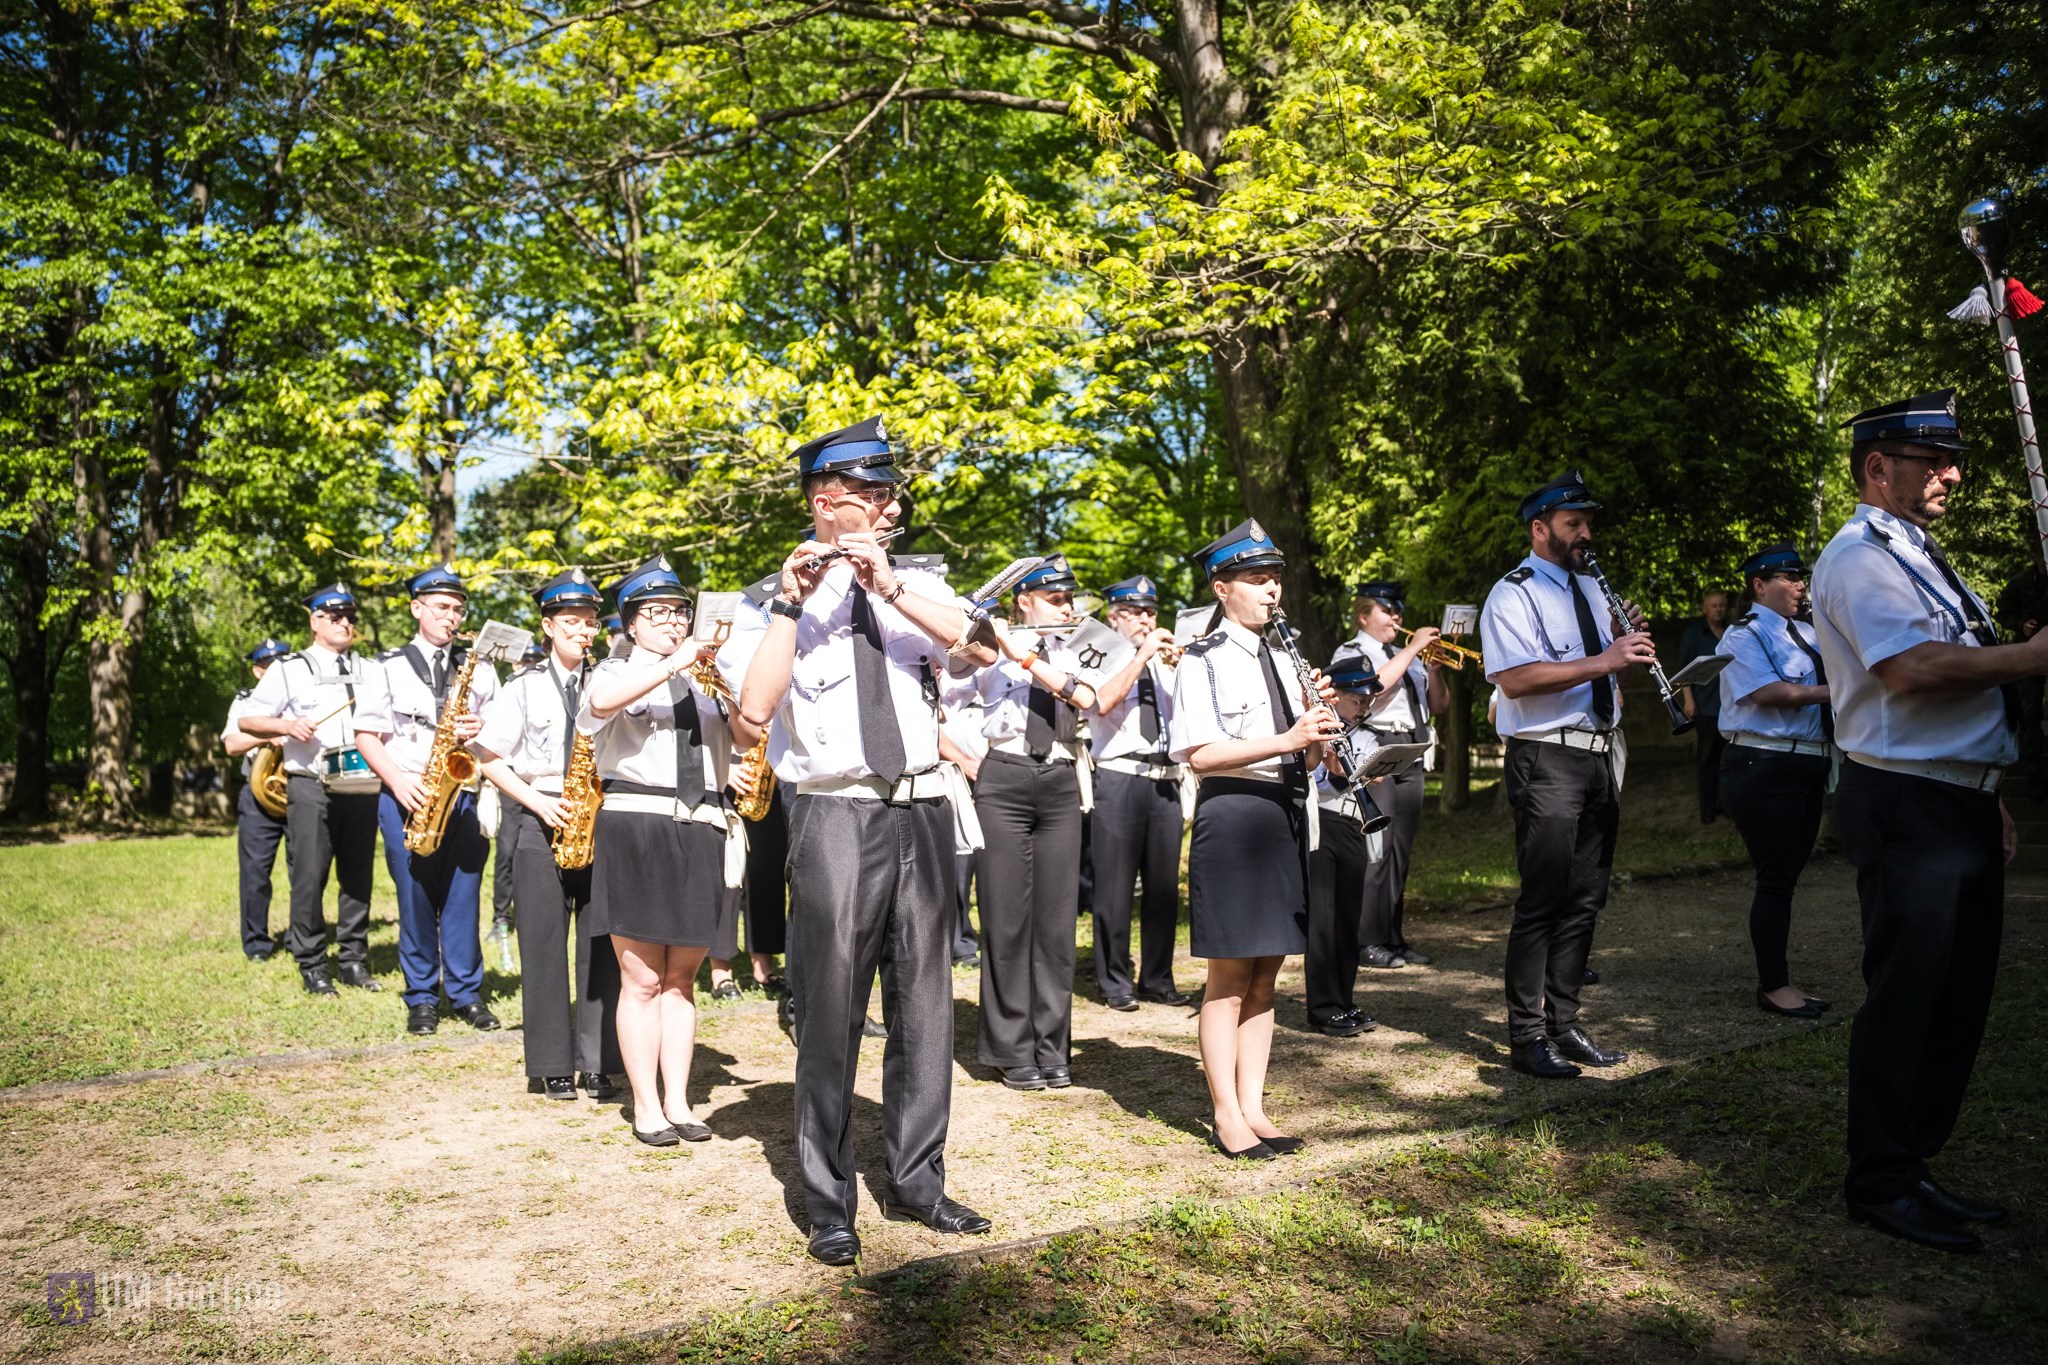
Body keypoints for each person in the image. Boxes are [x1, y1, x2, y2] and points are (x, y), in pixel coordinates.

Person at [724, 416, 999, 1266]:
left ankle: (919, 1181)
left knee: (924, 1006)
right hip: (836, 812)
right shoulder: (768, 602)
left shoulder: (919, 583)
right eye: (874, 494)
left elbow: (985, 649)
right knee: (832, 1009)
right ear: (826, 500)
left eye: (891, 494)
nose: (891, 507)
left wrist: (892, 585)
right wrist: (789, 603)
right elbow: (751, 715)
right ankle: (828, 1200)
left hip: (922, 806)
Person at [1810, 388, 2039, 1252]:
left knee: (1957, 995)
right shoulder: (1859, 556)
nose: (1952, 475)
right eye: (1934, 460)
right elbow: (1909, 668)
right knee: (1909, 995)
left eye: (1952, 461)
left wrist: (1986, 785)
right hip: (1908, 802)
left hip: (1953, 795)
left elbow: (1952, 677)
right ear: (1878, 467)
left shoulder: (1915, 552)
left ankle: (1911, 1163)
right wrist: (2034, 656)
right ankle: (1880, 1181)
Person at [1170, 518, 1339, 1161]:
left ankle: (1255, 1106)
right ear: (1222, 588)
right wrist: (1289, 738)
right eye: (1256, 579)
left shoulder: (1285, 658)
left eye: (1275, 580)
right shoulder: (1202, 659)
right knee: (1230, 975)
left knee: (1268, 972)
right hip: (1236, 817)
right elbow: (1200, 755)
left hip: (1286, 812)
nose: (1272, 591)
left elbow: (1308, 759)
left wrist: (1318, 734)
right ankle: (1225, 1115)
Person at [1480, 471, 1656, 1080]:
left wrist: (1623, 650)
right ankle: (1526, 1036)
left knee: (1585, 898)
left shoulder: (1593, 589)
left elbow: (1610, 678)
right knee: (1543, 900)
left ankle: (1564, 1022)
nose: (1586, 533)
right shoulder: (1513, 593)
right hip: (1546, 758)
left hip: (1599, 753)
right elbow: (1515, 679)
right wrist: (1604, 658)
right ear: (1540, 528)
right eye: (1573, 523)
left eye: (1588, 523)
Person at [578, 554, 742, 1145]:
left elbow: (746, 734)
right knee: (642, 977)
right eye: (658, 613)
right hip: (639, 825)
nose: (673, 621)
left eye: (680, 611)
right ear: (631, 623)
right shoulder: (614, 669)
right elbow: (599, 708)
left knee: (681, 979)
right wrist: (675, 662)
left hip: (702, 825)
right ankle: (645, 1105)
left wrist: (728, 685)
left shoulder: (706, 676)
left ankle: (679, 1101)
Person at [474, 567, 621, 1102]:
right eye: (571, 621)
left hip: (600, 815)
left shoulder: (611, 681)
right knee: (541, 943)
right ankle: (552, 1063)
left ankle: (599, 1061)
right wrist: (538, 802)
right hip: (542, 813)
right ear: (548, 626)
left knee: (600, 944)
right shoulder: (524, 686)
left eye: (589, 622)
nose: (582, 631)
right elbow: (489, 757)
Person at [354, 565, 501, 1035]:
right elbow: (366, 735)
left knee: (464, 895)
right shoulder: (387, 667)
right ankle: (421, 997)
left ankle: (466, 994)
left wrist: (482, 729)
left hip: (463, 792)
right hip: (407, 790)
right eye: (441, 607)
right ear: (416, 608)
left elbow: (500, 734)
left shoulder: (480, 668)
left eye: (457, 609)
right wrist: (398, 783)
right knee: (414, 896)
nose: (451, 617)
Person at [972, 553, 1100, 1089]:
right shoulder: (984, 645)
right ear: (1024, 600)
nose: (1066, 607)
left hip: (1060, 777)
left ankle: (1052, 1047)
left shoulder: (1083, 645)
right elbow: (944, 695)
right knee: (1005, 919)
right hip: (1003, 776)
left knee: (1055, 922)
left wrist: (1023, 657)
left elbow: (1087, 698)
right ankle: (1010, 1047)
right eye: (1054, 598)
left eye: (1068, 598)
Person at [238, 584, 382, 996]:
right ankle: (312, 962)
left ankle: (353, 959)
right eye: (335, 617)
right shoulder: (289, 668)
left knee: (358, 876)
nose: (345, 624)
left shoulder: (372, 668)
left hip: (361, 784)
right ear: (315, 621)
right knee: (309, 875)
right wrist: (287, 725)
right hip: (310, 783)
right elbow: (248, 720)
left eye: (350, 617)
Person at [1715, 544, 1835, 1020]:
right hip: (1762, 765)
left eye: (1800, 577)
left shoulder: (1808, 632)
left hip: (1809, 762)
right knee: (1775, 878)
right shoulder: (1742, 635)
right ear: (1759, 585)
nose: (1800, 585)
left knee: (1786, 878)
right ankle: (1773, 986)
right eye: (1789, 578)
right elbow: (1768, 692)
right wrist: (1841, 690)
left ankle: (1780, 980)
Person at [1086, 574, 1193, 1010]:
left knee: (1163, 887)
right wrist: (1140, 655)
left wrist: (1183, 668)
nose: (1147, 620)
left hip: (1165, 778)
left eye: (1151, 612)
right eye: (1135, 612)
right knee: (1114, 887)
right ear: (1115, 616)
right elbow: (1100, 703)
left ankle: (1157, 978)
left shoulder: (1166, 661)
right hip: (1120, 776)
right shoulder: (1098, 652)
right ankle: (1114, 981)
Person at [1346, 582, 1448, 969]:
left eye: (1397, 612)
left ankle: (1393, 936)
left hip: (1412, 745)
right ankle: (1366, 939)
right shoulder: (1353, 652)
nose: (1395, 618)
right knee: (1378, 848)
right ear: (1363, 617)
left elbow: (1439, 705)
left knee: (1401, 851)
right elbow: (1372, 687)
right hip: (1375, 745)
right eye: (1386, 611)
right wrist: (1413, 648)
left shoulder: (1411, 659)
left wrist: (1434, 671)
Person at [1303, 647, 1384, 1037]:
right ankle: (1323, 1007)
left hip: (1354, 824)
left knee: (1348, 919)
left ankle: (1344, 1000)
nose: (1364, 706)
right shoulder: (1314, 727)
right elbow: (1326, 773)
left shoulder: (1365, 735)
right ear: (1335, 696)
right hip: (1323, 822)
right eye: (1357, 699)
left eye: (1368, 700)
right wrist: (1332, 751)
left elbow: (1376, 776)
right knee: (1323, 920)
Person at [220, 638, 295, 961]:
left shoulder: (299, 700)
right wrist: (269, 734)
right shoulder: (244, 701)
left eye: (282, 665)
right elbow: (231, 744)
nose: (276, 671)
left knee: (305, 872)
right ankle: (256, 944)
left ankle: (300, 938)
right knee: (255, 873)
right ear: (257, 671)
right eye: (269, 666)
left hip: (298, 791)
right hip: (258, 794)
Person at [1994, 528, 2048, 797]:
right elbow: (2002, 612)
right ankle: (2035, 775)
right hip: (2029, 656)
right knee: (2029, 715)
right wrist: (2021, 625)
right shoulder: (2021, 582)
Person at [1680, 590, 1733, 822]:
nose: (1718, 609)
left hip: (1729, 707)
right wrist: (1689, 700)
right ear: (1705, 609)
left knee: (1726, 759)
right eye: (1714, 605)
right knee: (1707, 759)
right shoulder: (1694, 635)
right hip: (1706, 706)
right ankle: (1707, 809)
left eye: (1722, 605)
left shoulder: (1731, 632)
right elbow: (1684, 670)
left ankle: (1724, 804)